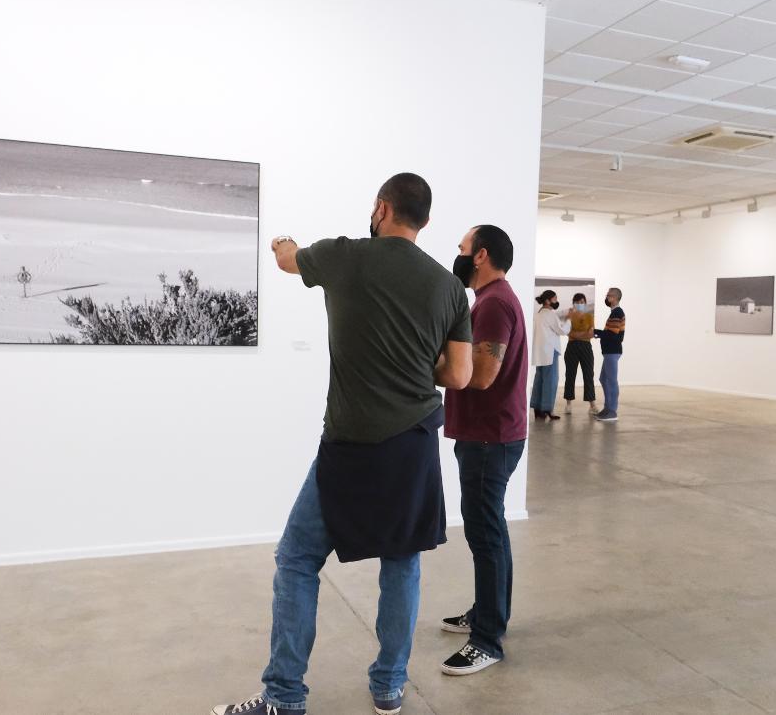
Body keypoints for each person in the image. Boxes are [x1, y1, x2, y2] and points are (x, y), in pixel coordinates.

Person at [212, 173, 474, 715]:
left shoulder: (344, 256)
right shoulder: (449, 287)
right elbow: (462, 374)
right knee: (401, 563)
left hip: (351, 443)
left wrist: (284, 242)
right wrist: (416, 358)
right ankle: (389, 686)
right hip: (412, 445)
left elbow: (289, 261)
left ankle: (284, 697)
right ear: (423, 221)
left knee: (298, 559)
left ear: (382, 208)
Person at [440, 224, 528, 676]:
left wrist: (431, 364)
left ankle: (487, 640)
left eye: (462, 248)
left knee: (485, 534)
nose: (457, 254)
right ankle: (489, 615)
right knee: (492, 529)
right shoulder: (492, 300)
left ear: (481, 255)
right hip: (493, 434)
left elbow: (482, 376)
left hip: (489, 438)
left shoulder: (493, 303)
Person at [529, 290, 571, 421]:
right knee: (550, 381)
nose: (556, 301)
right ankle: (547, 409)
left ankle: (537, 409)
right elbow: (562, 330)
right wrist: (569, 319)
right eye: (555, 299)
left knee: (539, 380)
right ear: (548, 300)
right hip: (549, 352)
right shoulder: (550, 314)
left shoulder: (538, 314)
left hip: (539, 352)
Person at [562, 292, 598, 416]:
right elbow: (567, 332)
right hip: (572, 347)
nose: (579, 304)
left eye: (582, 302)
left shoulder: (589, 316)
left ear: (585, 303)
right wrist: (581, 334)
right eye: (577, 302)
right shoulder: (570, 315)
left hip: (586, 347)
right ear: (574, 303)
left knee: (588, 375)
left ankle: (592, 405)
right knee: (570, 375)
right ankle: (568, 404)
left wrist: (576, 335)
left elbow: (591, 334)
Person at [594, 287, 625, 423]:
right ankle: (607, 408)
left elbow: (613, 334)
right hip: (608, 352)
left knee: (611, 381)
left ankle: (612, 411)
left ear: (615, 297)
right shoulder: (614, 312)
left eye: (609, 296)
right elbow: (610, 333)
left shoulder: (617, 312)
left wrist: (596, 332)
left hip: (612, 352)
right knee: (603, 379)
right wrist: (598, 333)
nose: (607, 298)